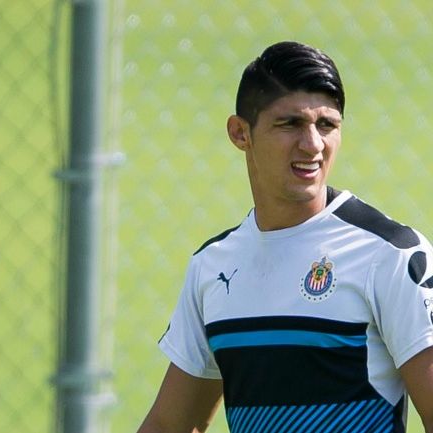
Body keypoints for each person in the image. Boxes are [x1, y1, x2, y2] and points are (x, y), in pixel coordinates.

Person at [136, 41, 433, 433]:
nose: (312, 144)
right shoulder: (214, 265)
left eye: (327, 124)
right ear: (240, 133)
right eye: (290, 123)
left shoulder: (390, 254)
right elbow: (171, 424)